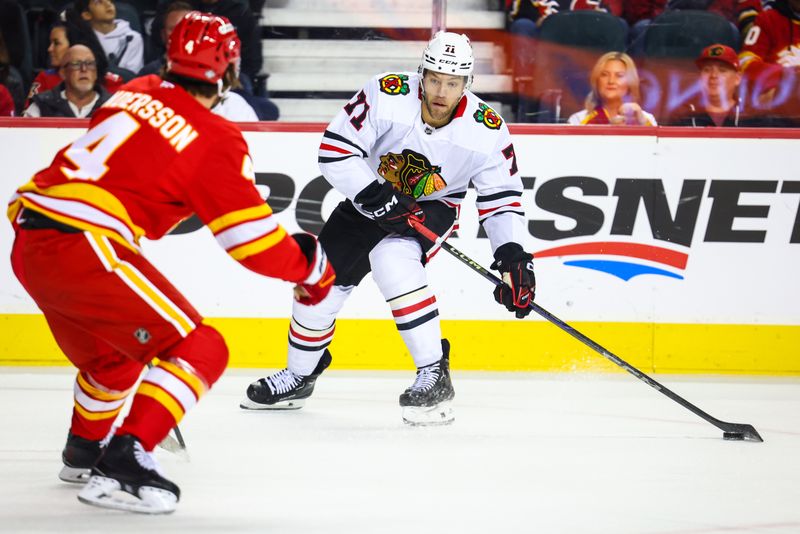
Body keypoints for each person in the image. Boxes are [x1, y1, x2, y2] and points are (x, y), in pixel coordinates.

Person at [8, 12, 333, 514]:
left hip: (31, 240)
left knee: (113, 359)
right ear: (228, 71)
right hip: (83, 245)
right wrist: (312, 272)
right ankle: (127, 457)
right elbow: (252, 244)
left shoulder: (134, 89)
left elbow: (130, 163)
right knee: (203, 346)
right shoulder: (216, 136)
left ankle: (84, 450)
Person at [241, 32, 535, 426]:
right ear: (421, 73)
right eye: (433, 79)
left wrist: (513, 255)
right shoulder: (386, 92)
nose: (440, 92)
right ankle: (300, 374)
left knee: (392, 259)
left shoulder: (487, 128)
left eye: (452, 83)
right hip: (369, 197)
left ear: (467, 84)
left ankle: (434, 372)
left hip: (431, 206)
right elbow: (334, 150)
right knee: (317, 283)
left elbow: (502, 198)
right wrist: (375, 194)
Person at [25, 22, 124, 109]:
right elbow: (28, 122)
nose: (50, 49)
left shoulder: (111, 82)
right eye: (50, 43)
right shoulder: (45, 79)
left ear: (75, 45)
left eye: (56, 43)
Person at [664, 44, 746, 126]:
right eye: (707, 70)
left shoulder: (749, 114)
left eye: (722, 70)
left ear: (737, 78)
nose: (713, 75)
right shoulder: (683, 114)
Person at [567, 51, 657, 125]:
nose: (611, 81)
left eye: (619, 75)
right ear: (597, 80)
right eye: (604, 75)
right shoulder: (578, 120)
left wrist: (641, 123)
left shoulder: (645, 119)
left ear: (630, 82)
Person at [23, 44, 111, 118]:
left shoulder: (114, 106)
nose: (84, 69)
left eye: (90, 64)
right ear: (63, 73)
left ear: (96, 72)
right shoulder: (41, 106)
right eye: (76, 64)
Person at [77, 0, 145, 74]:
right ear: (87, 15)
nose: (108, 4)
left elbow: (132, 74)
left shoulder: (133, 38)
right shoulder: (81, 40)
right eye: (98, 2)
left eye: (110, 1)